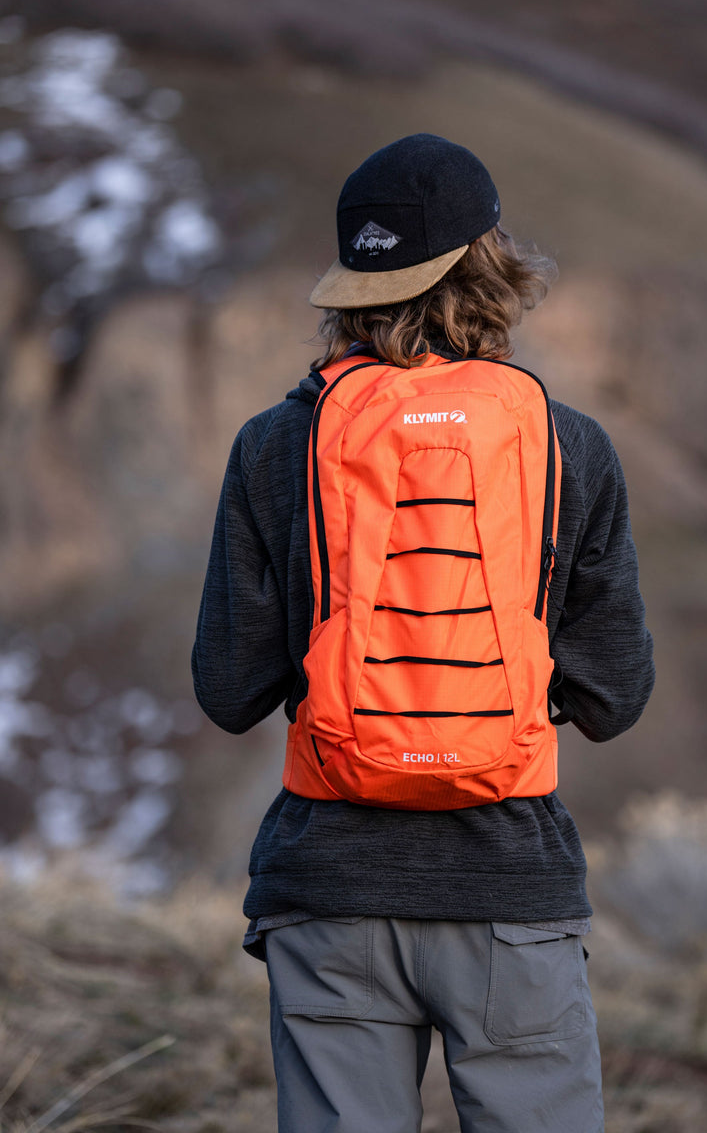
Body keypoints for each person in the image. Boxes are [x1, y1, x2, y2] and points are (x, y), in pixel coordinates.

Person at [192, 133, 655, 1133]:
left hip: (328, 889)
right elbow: (614, 697)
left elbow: (226, 689)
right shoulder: (566, 443)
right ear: (492, 264)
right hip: (509, 888)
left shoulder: (278, 443)